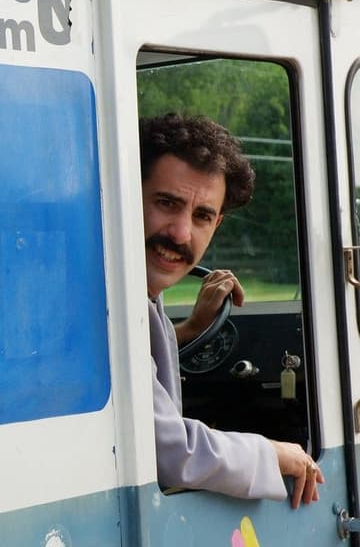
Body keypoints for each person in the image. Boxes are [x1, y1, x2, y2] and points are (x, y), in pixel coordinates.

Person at [140, 113, 323, 508]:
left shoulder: (141, 299)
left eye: (202, 216)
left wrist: (189, 329)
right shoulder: (98, 304)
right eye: (166, 203)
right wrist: (274, 453)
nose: (181, 233)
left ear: (217, 224)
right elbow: (169, 451)